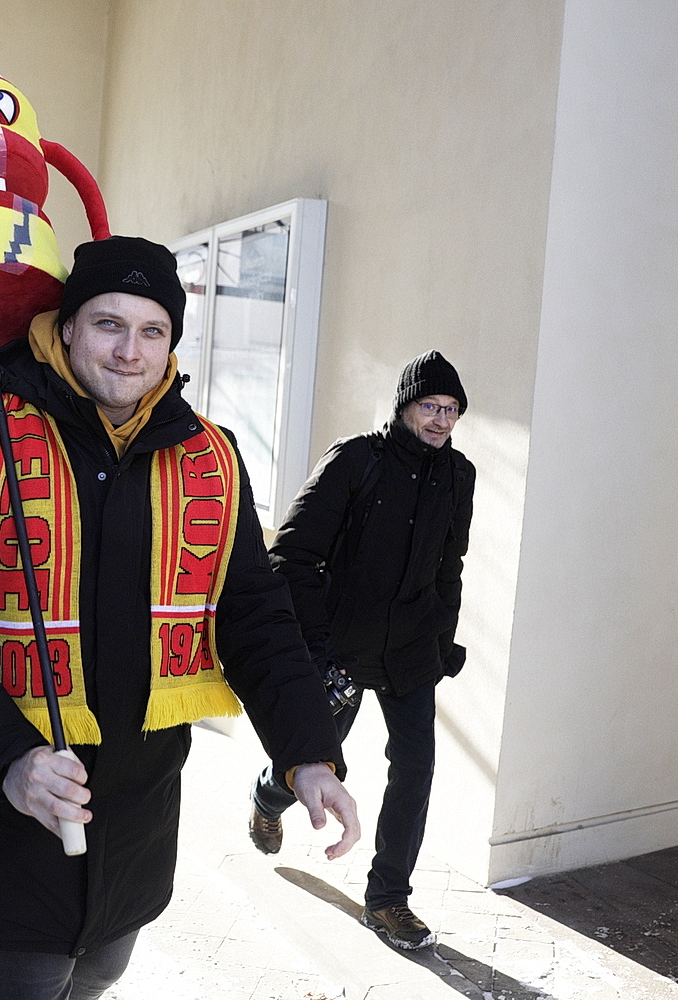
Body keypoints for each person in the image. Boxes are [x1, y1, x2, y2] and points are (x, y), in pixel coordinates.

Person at [0, 236, 360, 1000]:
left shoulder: (210, 457)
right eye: (108, 324)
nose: (130, 351)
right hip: (21, 793)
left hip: (137, 802)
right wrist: (9, 759)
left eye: (151, 330)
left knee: (102, 969)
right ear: (67, 327)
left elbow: (254, 615)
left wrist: (308, 753)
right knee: (32, 978)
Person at [247, 349, 475, 950]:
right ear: (404, 406)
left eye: (452, 409)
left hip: (411, 653)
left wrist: (442, 642)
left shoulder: (459, 475)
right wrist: (316, 647)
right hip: (342, 650)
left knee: (415, 768)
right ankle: (268, 796)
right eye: (430, 406)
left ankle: (389, 898)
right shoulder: (356, 460)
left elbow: (449, 566)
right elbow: (292, 555)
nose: (441, 420)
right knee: (315, 755)